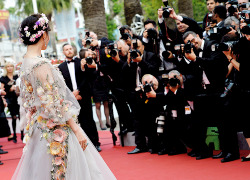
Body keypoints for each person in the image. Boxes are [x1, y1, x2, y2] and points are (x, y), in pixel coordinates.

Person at [12, 13, 116, 180]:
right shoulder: (40, 64)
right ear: (43, 35)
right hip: (55, 130)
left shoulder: (24, 64)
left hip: (38, 130)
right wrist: (77, 130)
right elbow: (55, 102)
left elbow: (30, 104)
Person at [183, 31, 229, 160]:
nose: (193, 43)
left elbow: (214, 63)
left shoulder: (212, 45)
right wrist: (188, 58)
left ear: (198, 36)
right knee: (200, 122)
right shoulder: (194, 52)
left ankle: (227, 151)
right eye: (189, 42)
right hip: (203, 91)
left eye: (193, 40)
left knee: (222, 122)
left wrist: (196, 59)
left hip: (217, 90)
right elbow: (191, 71)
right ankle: (204, 150)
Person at [58, 43, 102, 152]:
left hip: (84, 96)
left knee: (89, 120)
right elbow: (61, 85)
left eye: (70, 49)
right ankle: (79, 146)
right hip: (70, 98)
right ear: (63, 52)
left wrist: (78, 91)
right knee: (76, 121)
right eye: (66, 49)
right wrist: (71, 95)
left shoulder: (81, 62)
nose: (69, 51)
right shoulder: (60, 67)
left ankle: (95, 143)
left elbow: (88, 78)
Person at [222, 29, 250, 162]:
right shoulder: (235, 57)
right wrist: (230, 58)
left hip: (248, 91)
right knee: (246, 123)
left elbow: (243, 70)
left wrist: (230, 58)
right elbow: (225, 74)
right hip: (241, 92)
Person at [79, 48, 111, 130]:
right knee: (98, 105)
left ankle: (108, 120)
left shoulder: (97, 60)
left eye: (90, 54)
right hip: (95, 87)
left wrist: (96, 65)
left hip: (103, 85)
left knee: (106, 103)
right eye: (88, 56)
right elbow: (88, 76)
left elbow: (104, 69)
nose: (90, 56)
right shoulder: (85, 65)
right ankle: (101, 123)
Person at [0, 61, 23, 143]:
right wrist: (10, 89)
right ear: (5, 68)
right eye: (8, 66)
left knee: (21, 117)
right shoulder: (3, 78)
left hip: (18, 98)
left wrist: (17, 89)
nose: (10, 68)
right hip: (10, 100)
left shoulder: (16, 76)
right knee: (13, 117)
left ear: (13, 67)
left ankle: (22, 135)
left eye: (11, 66)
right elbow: (2, 91)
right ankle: (14, 136)